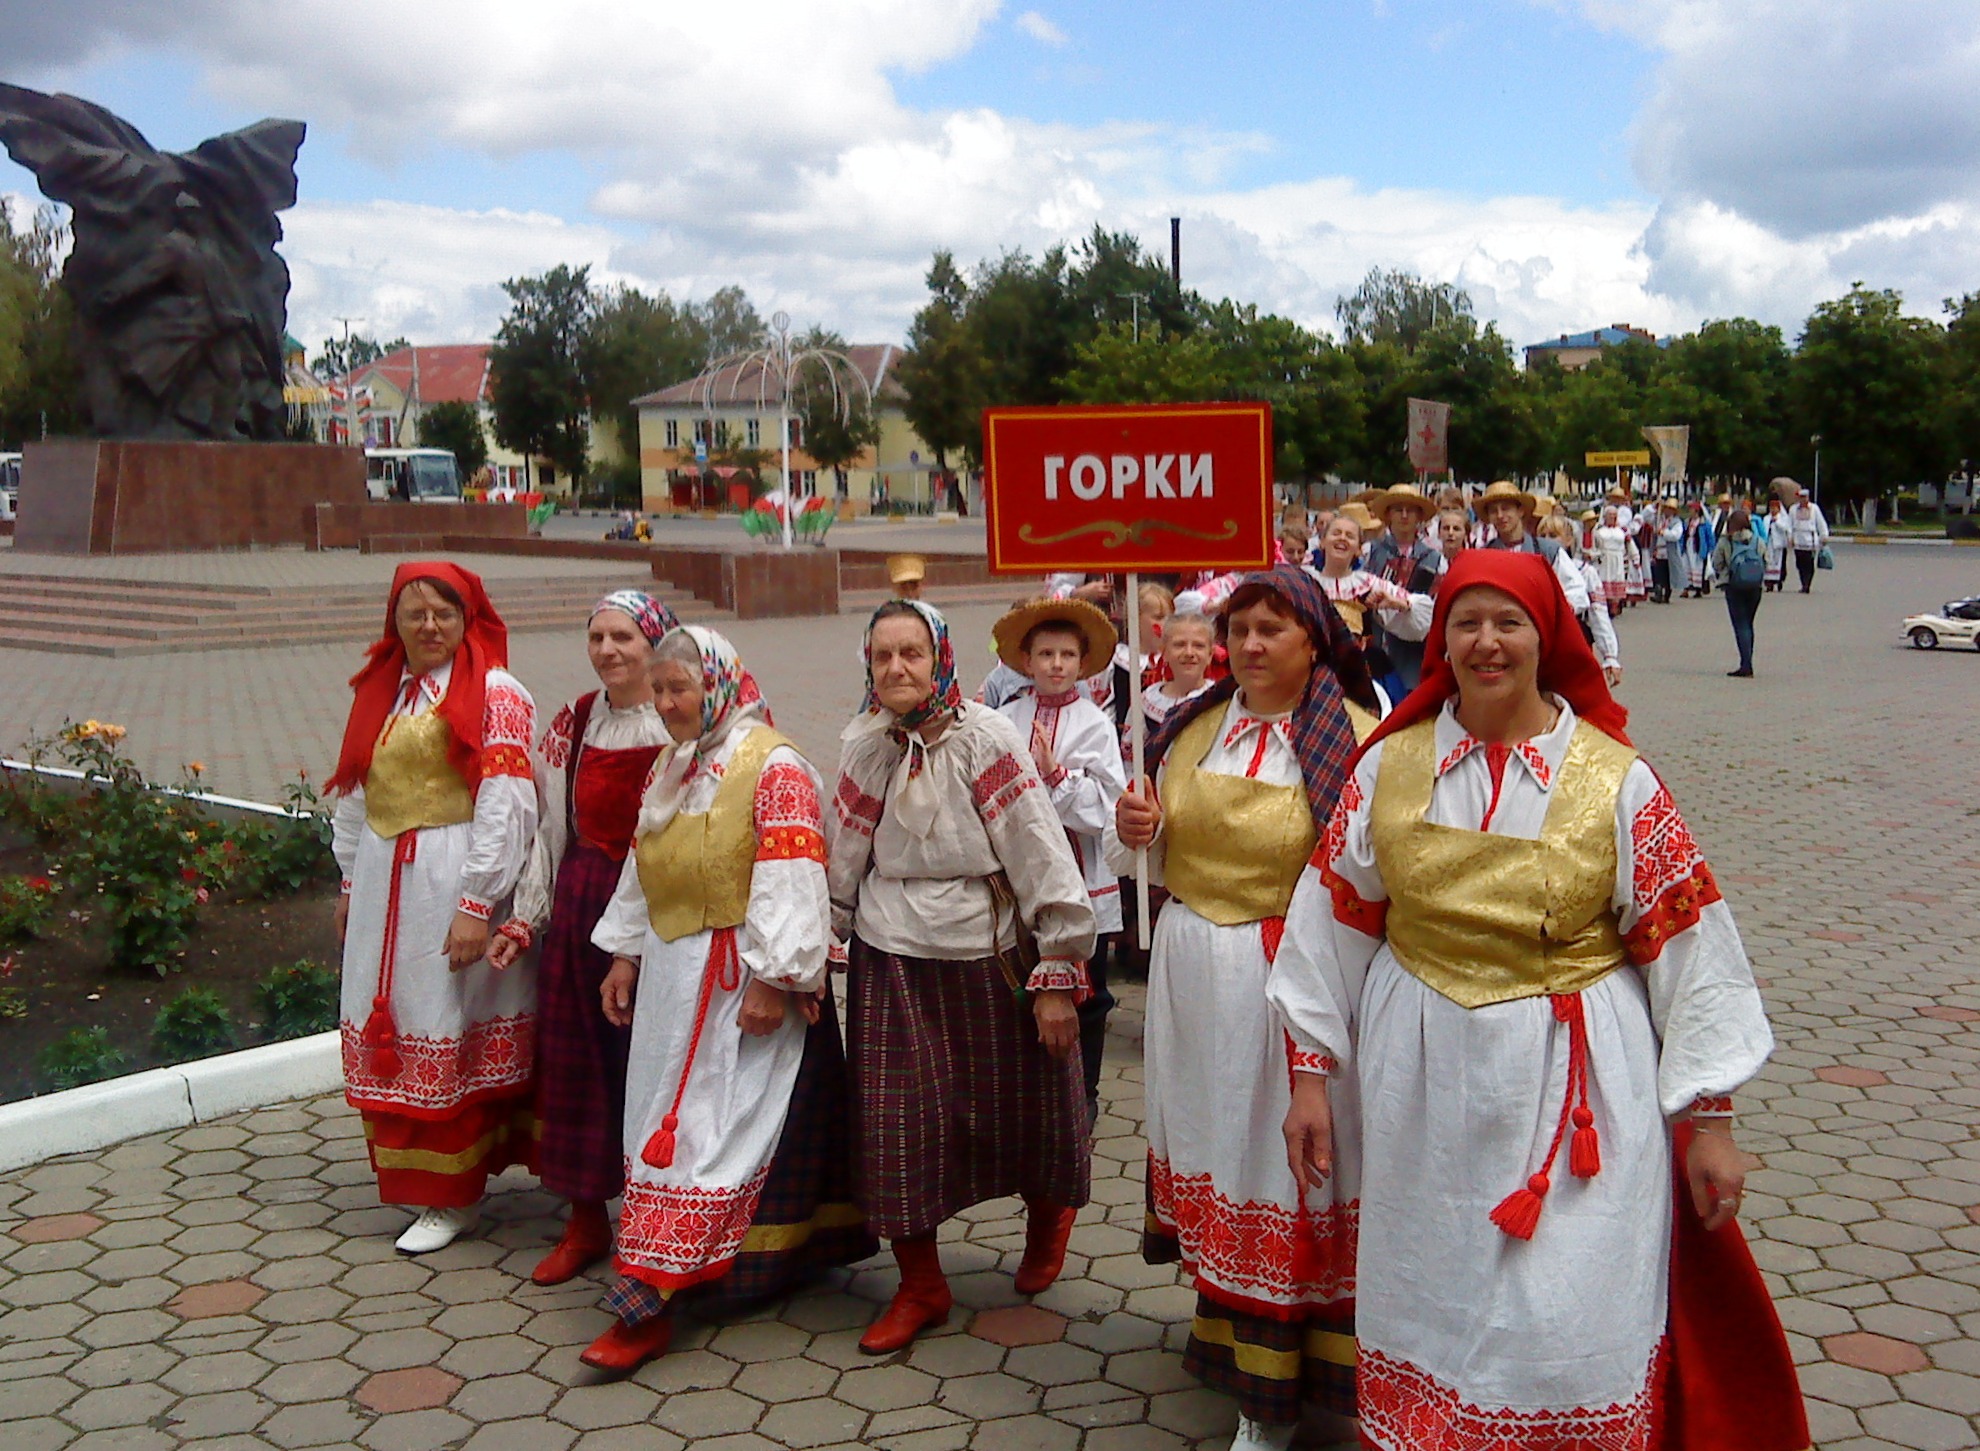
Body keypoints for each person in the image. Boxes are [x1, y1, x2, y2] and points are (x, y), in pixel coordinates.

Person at [1269, 549, 1804, 1451]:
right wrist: (1311, 1076)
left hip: (1573, 1086)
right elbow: (1333, 920)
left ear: (1547, 634)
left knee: (1565, 1310)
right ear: (1440, 638)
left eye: (1509, 621)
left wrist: (1710, 1118)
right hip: (1421, 1089)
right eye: (1467, 622)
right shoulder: (1389, 768)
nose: (1487, 642)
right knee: (1429, 1288)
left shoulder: (1615, 779)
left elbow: (1690, 946)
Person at [1111, 565, 1384, 1451]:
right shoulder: (1192, 727)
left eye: (1272, 629)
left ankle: (1278, 1402)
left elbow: (1371, 887)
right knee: (1220, 1161)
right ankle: (1231, 1341)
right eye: (1238, 631)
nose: (1250, 646)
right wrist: (1140, 833)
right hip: (1196, 985)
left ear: (1316, 640)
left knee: (1285, 1180)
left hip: (1290, 986)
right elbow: (1149, 850)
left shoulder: (1358, 741)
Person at [583, 626, 874, 1371]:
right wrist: (623, 952)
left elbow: (793, 875)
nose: (669, 702)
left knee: (716, 1125)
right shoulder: (673, 766)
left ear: (717, 682)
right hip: (672, 979)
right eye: (660, 689)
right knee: (668, 1117)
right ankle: (719, 1261)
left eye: (680, 687)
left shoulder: (772, 765)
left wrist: (776, 976)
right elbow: (646, 866)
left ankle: (657, 1289)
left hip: (738, 973)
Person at [828, 600, 1096, 1354]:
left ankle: (1048, 1221)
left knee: (1027, 1105)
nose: (896, 669)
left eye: (911, 653)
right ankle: (921, 1286)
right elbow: (842, 855)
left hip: (987, 951)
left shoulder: (987, 737)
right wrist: (818, 942)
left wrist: (1056, 972)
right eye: (882, 657)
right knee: (896, 1123)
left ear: (939, 656)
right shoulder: (865, 746)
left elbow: (1041, 850)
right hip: (893, 957)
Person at [328, 563, 539, 1255]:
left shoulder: (496, 693)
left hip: (451, 875)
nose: (427, 626)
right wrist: (350, 881)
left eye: (443, 613)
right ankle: (420, 1181)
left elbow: (507, 800)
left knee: (446, 1020)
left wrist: (477, 902)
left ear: (467, 618)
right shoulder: (383, 691)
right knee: (390, 1012)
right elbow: (357, 789)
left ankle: (455, 1194)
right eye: (413, 613)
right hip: (388, 879)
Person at [491, 592, 676, 1285]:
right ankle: (587, 1219)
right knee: (580, 1065)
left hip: (662, 908)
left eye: (622, 636)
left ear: (655, 642)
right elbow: (549, 824)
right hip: (582, 899)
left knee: (655, 1064)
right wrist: (524, 915)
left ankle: (662, 1219)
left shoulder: (683, 713)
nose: (607, 650)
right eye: (596, 636)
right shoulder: (575, 718)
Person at [994, 596, 1128, 1130]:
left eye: (1066, 654)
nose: (1055, 664)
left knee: (1085, 992)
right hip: (1016, 878)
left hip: (1078, 877)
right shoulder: (1003, 718)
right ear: (1025, 661)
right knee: (1018, 984)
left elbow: (1111, 810)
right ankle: (1027, 1098)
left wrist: (1058, 781)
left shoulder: (1093, 724)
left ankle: (1084, 1094)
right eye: (1045, 653)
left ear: (1082, 662)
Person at [1306, 512, 1418, 705]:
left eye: (1350, 536)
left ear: (1358, 549)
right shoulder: (1304, 580)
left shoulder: (1369, 583)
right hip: (1312, 666)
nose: (1342, 538)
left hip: (1362, 668)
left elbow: (1417, 612)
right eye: (1336, 533)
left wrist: (1398, 603)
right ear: (1322, 542)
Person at [1360, 484, 1447, 692]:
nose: (1405, 516)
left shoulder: (1435, 559)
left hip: (1416, 652)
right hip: (1377, 646)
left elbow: (1437, 608)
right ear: (1389, 515)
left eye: (1411, 510)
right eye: (1399, 510)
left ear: (1419, 516)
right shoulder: (1370, 552)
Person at [1475, 480, 1593, 614]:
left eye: (1506, 508)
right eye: (1493, 511)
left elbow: (1577, 590)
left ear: (1520, 511)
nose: (1500, 515)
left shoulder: (1547, 550)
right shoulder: (1485, 556)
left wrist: (1551, 612)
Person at [1538, 515, 1623, 688]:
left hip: (1574, 643)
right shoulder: (1535, 570)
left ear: (1568, 540)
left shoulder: (1584, 572)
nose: (1547, 541)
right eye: (1543, 536)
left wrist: (1610, 656)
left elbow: (1599, 615)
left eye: (1553, 535)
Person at [1142, 599, 1217, 728]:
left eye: (1198, 646)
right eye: (1179, 645)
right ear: (1164, 652)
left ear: (1210, 654)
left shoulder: (1220, 700)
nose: (1189, 653)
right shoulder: (1147, 702)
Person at [1712, 508, 1766, 677]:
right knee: (1748, 624)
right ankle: (1748, 660)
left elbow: (1716, 563)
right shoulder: (1757, 541)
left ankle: (1746, 665)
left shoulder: (1725, 542)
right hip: (1755, 587)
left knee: (1740, 624)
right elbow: (1767, 561)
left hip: (1734, 587)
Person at [1787, 488, 1830, 592]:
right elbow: (1789, 524)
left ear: (1808, 498)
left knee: (1809, 563)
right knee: (1800, 563)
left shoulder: (1814, 509)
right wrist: (1790, 537)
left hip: (1810, 541)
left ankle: (1807, 584)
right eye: (1800, 498)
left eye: (1804, 497)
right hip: (1798, 540)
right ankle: (1803, 582)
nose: (1803, 500)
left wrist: (1824, 535)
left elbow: (1821, 523)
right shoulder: (1793, 509)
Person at [1593, 505, 1630, 615]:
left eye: (1614, 515)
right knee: (1605, 578)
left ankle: (1615, 605)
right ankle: (1605, 604)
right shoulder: (1598, 530)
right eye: (1610, 515)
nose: (1612, 517)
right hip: (1605, 557)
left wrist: (1633, 558)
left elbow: (1629, 544)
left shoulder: (1622, 530)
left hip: (1618, 557)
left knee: (1617, 578)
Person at [1681, 500, 1716, 598]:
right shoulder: (1687, 522)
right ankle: (1686, 588)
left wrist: (1710, 548)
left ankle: (1698, 589)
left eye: (1692, 509)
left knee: (1697, 568)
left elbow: (1710, 537)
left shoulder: (1704, 523)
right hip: (1688, 545)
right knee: (1686, 566)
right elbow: (1684, 534)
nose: (1690, 511)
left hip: (1698, 548)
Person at [1653, 500, 1684, 604]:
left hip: (1669, 552)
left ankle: (1667, 594)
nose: (1667, 511)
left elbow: (1676, 535)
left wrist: (1664, 532)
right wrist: (1654, 505)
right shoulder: (1659, 519)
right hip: (1659, 550)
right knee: (1658, 573)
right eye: (1666, 508)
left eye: (1670, 509)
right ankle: (1658, 593)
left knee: (1668, 574)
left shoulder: (1676, 522)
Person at [1761, 495, 1791, 591]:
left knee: (1777, 562)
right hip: (1768, 542)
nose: (1773, 510)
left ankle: (1778, 580)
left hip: (1778, 543)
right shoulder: (1766, 518)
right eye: (1771, 508)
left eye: (1775, 508)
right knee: (1768, 561)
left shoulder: (1782, 518)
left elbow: (1785, 528)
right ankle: (1768, 582)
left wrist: (1777, 522)